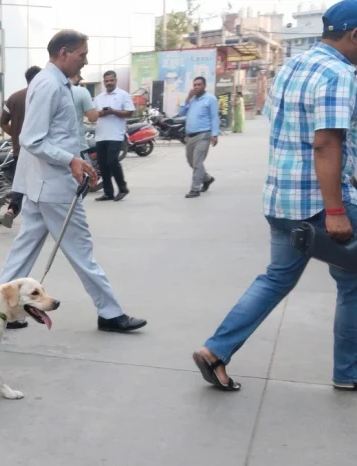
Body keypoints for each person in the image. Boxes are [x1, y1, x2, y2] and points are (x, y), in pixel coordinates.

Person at [193, 0, 357, 392]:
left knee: (277, 278)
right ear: (354, 35)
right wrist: (335, 210)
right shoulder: (339, 74)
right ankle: (348, 372)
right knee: (352, 282)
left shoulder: (292, 66)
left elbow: (285, 127)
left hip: (281, 199)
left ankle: (216, 350)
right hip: (319, 202)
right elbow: (325, 144)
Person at [0, 29, 147, 334]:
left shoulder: (53, 83)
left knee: (24, 249)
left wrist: (78, 160)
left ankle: (0, 309)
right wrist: (71, 160)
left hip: (42, 185)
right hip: (53, 186)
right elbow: (31, 139)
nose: (85, 61)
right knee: (81, 252)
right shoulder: (50, 85)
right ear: (64, 53)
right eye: (81, 55)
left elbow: (61, 136)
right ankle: (110, 312)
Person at [0, 65, 42, 229]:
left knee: (20, 183)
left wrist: (15, 135)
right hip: (41, 150)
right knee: (39, 183)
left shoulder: (13, 98)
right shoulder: (42, 97)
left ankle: (12, 209)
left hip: (20, 149)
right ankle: (38, 216)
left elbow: (2, 123)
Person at [93, 70, 135, 202]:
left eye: (111, 80)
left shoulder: (123, 95)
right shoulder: (99, 97)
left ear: (116, 81)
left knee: (112, 161)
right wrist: (101, 113)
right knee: (102, 164)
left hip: (115, 135)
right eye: (106, 81)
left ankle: (123, 188)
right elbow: (93, 114)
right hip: (101, 135)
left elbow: (130, 113)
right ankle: (108, 192)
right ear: (104, 82)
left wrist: (113, 111)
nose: (109, 83)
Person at [178, 76, 220, 199]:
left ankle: (195, 189)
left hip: (203, 135)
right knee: (191, 162)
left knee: (197, 163)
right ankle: (207, 179)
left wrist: (215, 134)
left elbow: (214, 117)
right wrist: (188, 98)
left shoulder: (210, 99)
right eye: (195, 85)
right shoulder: (192, 100)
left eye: (199, 85)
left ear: (204, 86)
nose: (196, 87)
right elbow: (181, 113)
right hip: (190, 136)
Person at [71, 74, 99, 158]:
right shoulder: (81, 91)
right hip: (77, 145)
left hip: (57, 148)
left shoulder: (52, 90)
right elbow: (93, 117)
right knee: (87, 170)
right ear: (76, 77)